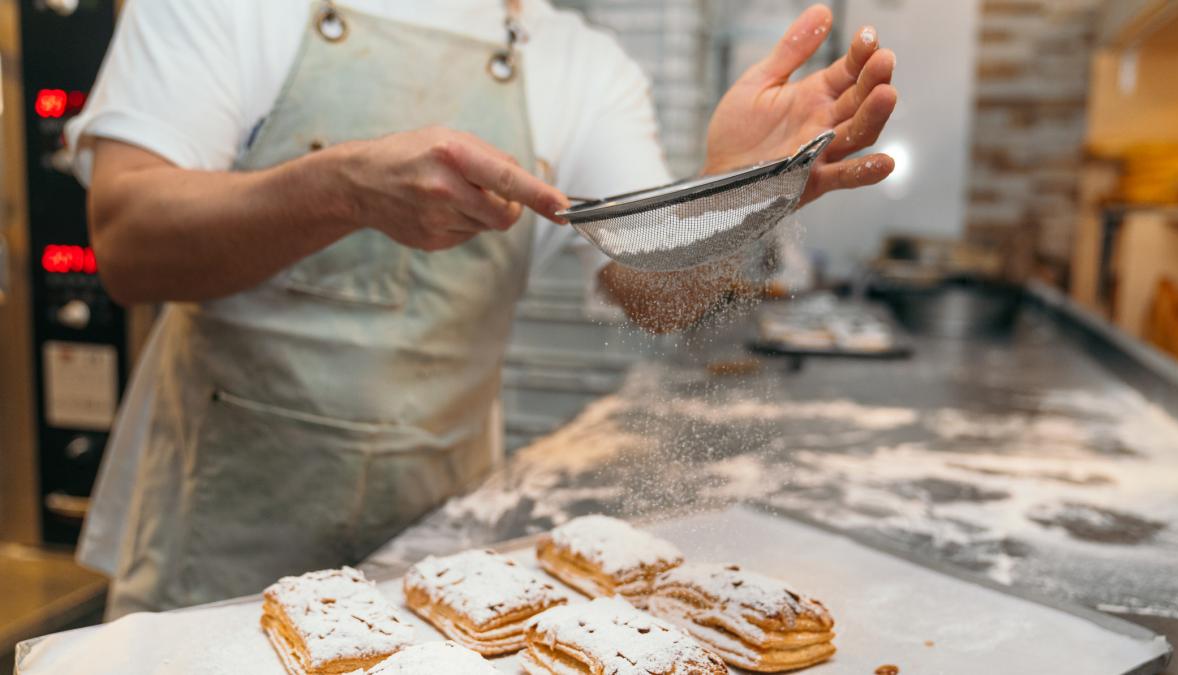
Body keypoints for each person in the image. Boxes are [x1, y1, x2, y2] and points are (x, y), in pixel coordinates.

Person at [67, 0, 897, 618]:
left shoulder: (582, 63)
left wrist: (736, 199)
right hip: (216, 544)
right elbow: (129, 247)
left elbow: (657, 297)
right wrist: (338, 190)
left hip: (435, 556)